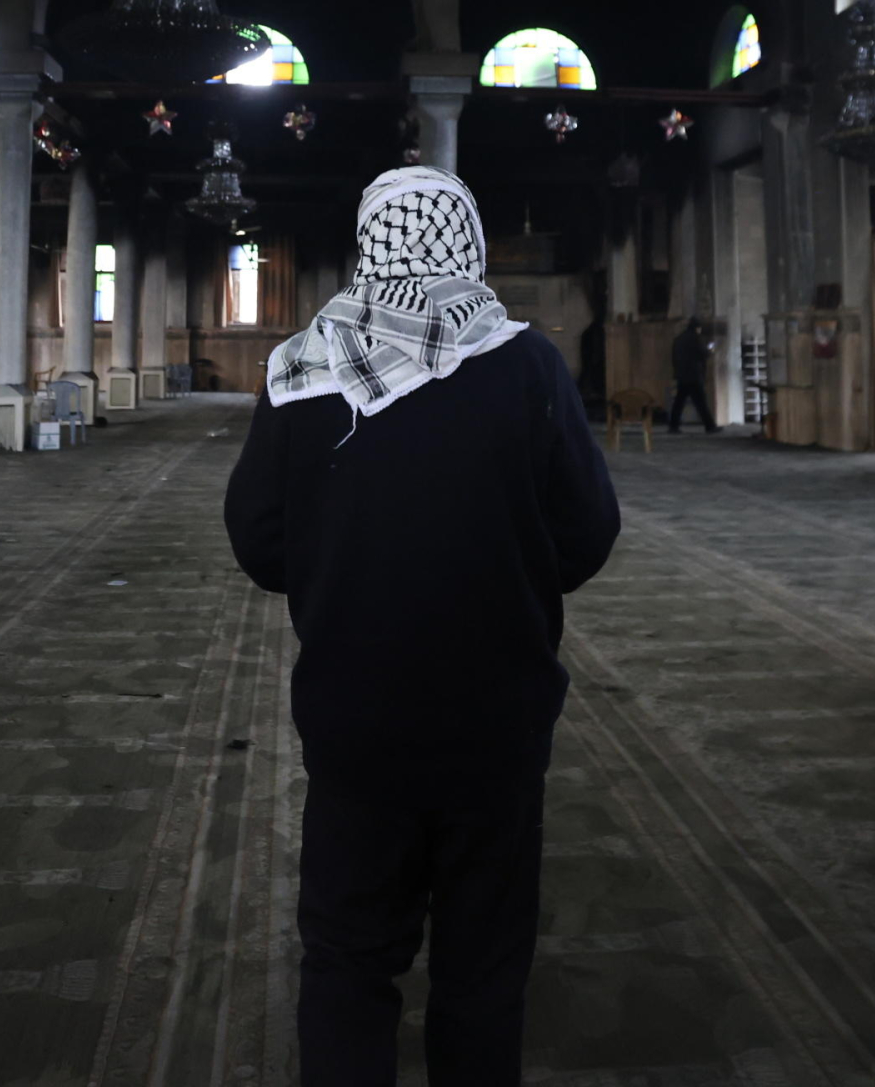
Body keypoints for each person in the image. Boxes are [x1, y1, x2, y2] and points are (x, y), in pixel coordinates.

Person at [224, 166, 621, 1085]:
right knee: (483, 968)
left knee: (349, 955)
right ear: (467, 242)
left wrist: (340, 575)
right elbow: (587, 531)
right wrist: (508, 574)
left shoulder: (306, 369)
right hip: (496, 722)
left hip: (357, 721)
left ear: (370, 243)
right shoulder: (526, 366)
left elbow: (258, 539)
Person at [669, 315, 718, 434]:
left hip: (682, 374)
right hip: (693, 375)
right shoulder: (695, 338)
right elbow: (702, 354)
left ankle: (673, 426)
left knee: (679, 402)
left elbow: (674, 358)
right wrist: (710, 351)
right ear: (697, 328)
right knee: (701, 402)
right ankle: (710, 426)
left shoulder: (679, 339)